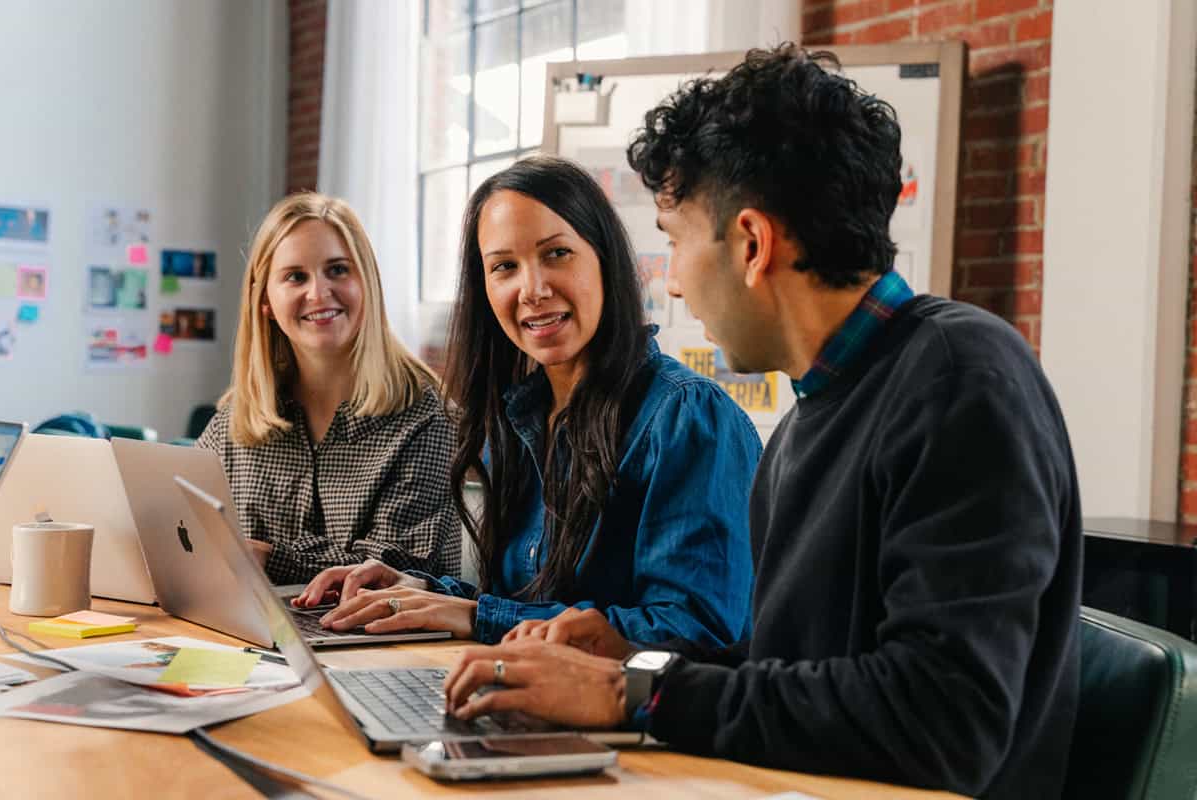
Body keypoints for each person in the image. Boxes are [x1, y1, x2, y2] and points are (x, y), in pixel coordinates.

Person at [438, 46, 1082, 800]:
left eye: (676, 242)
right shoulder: (817, 412)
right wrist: (630, 661)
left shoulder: (960, 378)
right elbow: (794, 678)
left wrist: (634, 697)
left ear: (751, 243)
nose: (671, 281)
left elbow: (944, 723)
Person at [296, 156, 760, 648]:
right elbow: (528, 599)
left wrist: (477, 615)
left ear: (604, 257)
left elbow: (695, 633)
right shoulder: (520, 417)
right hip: (527, 697)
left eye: (557, 254)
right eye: (504, 267)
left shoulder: (686, 416)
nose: (533, 290)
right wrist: (421, 590)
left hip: (635, 722)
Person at [197, 192, 460, 584]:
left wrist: (267, 558)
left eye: (337, 270)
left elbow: (402, 568)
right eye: (295, 277)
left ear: (366, 282)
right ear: (265, 300)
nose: (318, 293)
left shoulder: (426, 417)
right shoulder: (234, 424)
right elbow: (183, 537)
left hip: (378, 642)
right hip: (241, 635)